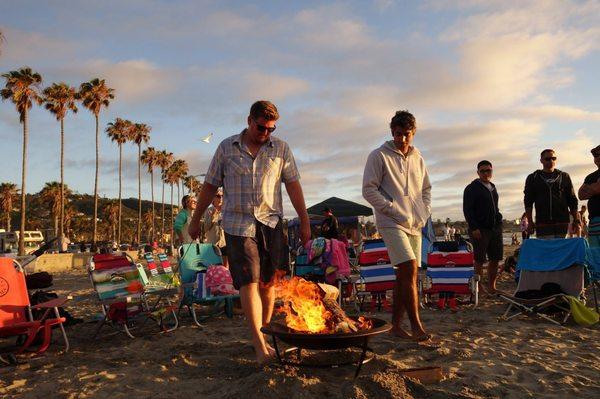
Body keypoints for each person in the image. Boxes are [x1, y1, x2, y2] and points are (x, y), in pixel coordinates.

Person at [188, 100, 310, 364]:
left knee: (268, 285)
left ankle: (263, 335)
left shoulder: (281, 149)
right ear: (248, 120)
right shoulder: (226, 148)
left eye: (271, 129)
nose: (266, 133)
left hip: (271, 224)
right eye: (261, 127)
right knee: (249, 282)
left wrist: (304, 219)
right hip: (238, 224)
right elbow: (209, 187)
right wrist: (196, 219)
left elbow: (293, 186)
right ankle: (258, 346)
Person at [362, 109, 432, 342]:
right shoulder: (378, 156)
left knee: (407, 275)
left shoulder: (417, 157)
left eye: (406, 134)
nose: (401, 138)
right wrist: (391, 209)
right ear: (392, 131)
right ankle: (416, 326)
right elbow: (368, 189)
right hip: (391, 221)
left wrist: (424, 212)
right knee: (410, 267)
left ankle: (394, 326)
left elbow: (426, 189)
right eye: (397, 133)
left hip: (415, 223)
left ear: (413, 133)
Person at [463, 160, 503, 293]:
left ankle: (492, 286)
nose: (486, 173)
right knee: (479, 259)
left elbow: (495, 208)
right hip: (480, 229)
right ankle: (479, 286)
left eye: (489, 170)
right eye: (483, 171)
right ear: (478, 172)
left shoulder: (493, 187)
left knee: (495, 258)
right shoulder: (471, 188)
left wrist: (499, 220)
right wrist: (474, 228)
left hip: (495, 229)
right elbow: (467, 210)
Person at [524, 149, 579, 239]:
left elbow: (572, 199)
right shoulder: (533, 177)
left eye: (554, 158)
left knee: (561, 250)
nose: (551, 161)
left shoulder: (564, 176)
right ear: (541, 160)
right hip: (543, 222)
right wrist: (530, 222)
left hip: (562, 222)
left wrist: (576, 220)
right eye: (548, 159)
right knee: (546, 251)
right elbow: (528, 202)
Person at [578, 145, 600, 247]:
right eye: (596, 155)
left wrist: (590, 189)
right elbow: (581, 195)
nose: (598, 158)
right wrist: (595, 188)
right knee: (595, 254)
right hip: (594, 222)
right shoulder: (591, 176)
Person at [203, 188, 228, 268]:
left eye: (222, 196)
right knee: (213, 267)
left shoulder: (227, 210)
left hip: (225, 243)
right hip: (213, 243)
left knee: (225, 268)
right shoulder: (209, 211)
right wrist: (212, 217)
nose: (220, 198)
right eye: (218, 196)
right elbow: (205, 228)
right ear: (213, 197)